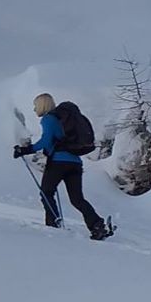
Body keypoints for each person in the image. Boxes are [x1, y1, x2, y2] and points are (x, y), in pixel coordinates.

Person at [14, 93, 113, 240]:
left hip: (58, 162)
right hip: (75, 163)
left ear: (42, 105)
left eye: (36, 106)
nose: (34, 109)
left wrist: (25, 150)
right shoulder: (63, 119)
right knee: (77, 199)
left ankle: (53, 225)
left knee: (46, 193)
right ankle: (98, 226)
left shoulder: (48, 119)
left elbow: (46, 141)